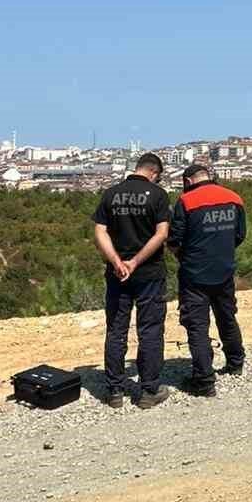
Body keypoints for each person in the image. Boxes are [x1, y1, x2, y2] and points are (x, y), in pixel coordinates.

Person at [92, 152, 171, 409]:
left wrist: (117, 261)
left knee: (116, 329)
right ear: (154, 173)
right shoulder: (158, 195)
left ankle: (114, 390)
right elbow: (162, 234)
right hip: (149, 273)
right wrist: (135, 262)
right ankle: (149, 390)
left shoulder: (111, 194)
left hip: (117, 274)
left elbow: (100, 232)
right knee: (150, 330)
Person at [168, 161, 247, 398]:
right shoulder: (234, 198)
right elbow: (240, 235)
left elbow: (174, 240)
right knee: (227, 317)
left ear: (188, 181)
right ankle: (235, 362)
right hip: (224, 271)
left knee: (197, 326)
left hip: (194, 275)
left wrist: (182, 256)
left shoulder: (186, 201)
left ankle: (204, 381)